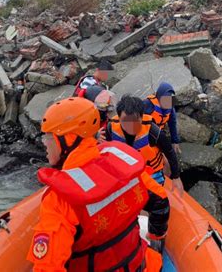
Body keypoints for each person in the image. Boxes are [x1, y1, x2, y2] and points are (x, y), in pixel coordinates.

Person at [26, 97, 163, 271]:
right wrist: (157, 236)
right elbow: (161, 200)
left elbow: (47, 268)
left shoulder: (59, 200)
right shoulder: (127, 167)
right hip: (138, 266)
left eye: (48, 137)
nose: (44, 143)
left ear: (69, 139)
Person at [104, 95, 184, 250]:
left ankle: (154, 243)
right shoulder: (110, 128)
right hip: (124, 176)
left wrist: (176, 177)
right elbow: (105, 150)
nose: (131, 126)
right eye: (126, 121)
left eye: (135, 121)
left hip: (151, 174)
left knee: (151, 206)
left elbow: (169, 152)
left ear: (142, 117)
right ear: (119, 118)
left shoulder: (153, 131)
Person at [143, 82, 181, 154]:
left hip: (160, 133)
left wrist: (175, 141)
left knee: (169, 152)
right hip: (147, 133)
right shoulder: (148, 104)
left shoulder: (170, 106)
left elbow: (172, 123)